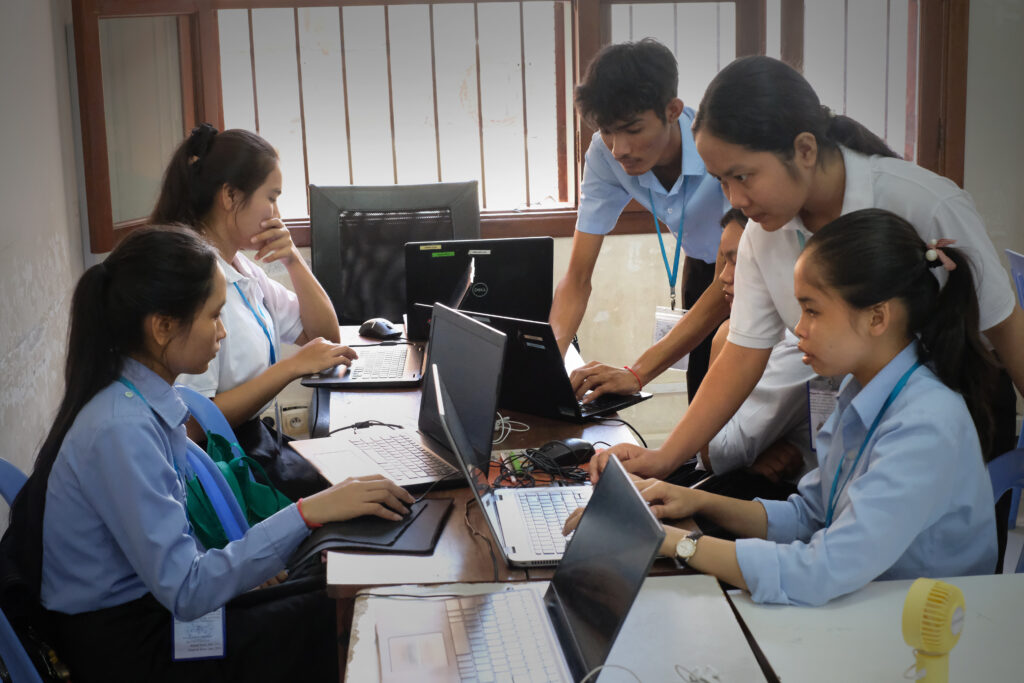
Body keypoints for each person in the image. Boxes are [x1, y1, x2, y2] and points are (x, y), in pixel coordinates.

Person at [0, 226, 415, 681]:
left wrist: (255, 563)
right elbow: (188, 590)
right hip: (130, 644)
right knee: (330, 618)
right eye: (214, 316)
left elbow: (171, 541)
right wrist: (308, 512)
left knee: (329, 583)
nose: (221, 332)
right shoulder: (120, 430)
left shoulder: (136, 397)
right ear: (162, 327)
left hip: (156, 604)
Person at [590, 55, 1023, 482]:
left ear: (804, 150)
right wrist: (665, 460)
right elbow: (742, 356)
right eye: (720, 181)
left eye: (743, 176)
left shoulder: (923, 203)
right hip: (859, 428)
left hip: (961, 421)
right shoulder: (763, 233)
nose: (734, 199)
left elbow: (1009, 334)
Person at [570, 210, 999, 605]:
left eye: (812, 310)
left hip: (919, 633)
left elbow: (821, 568)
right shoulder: (861, 389)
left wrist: (669, 542)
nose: (799, 328)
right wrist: (691, 502)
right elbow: (809, 515)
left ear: (877, 318)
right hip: (867, 604)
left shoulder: (925, 425)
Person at [152, 124, 355, 500]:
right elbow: (194, 424)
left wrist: (293, 259)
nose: (277, 212)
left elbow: (325, 334)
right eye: (272, 197)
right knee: (351, 494)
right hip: (220, 465)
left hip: (252, 443)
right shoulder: (195, 283)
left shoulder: (244, 271)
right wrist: (291, 368)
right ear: (230, 195)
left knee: (353, 474)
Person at [549, 38, 729, 403]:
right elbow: (577, 277)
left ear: (673, 110)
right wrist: (547, 366)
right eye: (606, 131)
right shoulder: (605, 155)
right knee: (702, 400)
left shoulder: (721, 147)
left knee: (739, 418)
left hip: (748, 273)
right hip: (700, 271)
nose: (619, 149)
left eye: (632, 130)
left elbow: (732, 288)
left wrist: (636, 372)